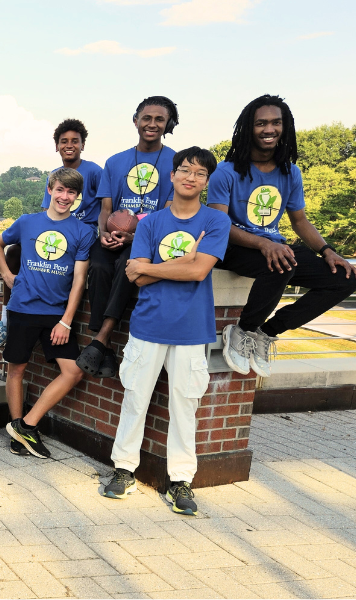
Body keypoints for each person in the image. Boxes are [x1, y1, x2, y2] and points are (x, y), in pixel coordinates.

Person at [101, 147, 231, 516]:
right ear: (172, 176)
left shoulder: (215, 222)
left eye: (200, 173)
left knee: (184, 407)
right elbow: (132, 273)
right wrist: (185, 260)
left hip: (192, 330)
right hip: (148, 325)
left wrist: (159, 267)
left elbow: (196, 273)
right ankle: (124, 469)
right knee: (135, 399)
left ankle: (180, 480)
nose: (191, 177)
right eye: (185, 170)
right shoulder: (151, 222)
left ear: (206, 182)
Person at [207, 95, 356, 377]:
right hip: (233, 246)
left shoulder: (291, 172)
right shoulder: (225, 172)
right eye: (261, 123)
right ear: (248, 128)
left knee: (345, 279)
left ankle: (266, 332)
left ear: (285, 126)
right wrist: (263, 243)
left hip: (273, 249)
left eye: (276, 122)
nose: (269, 129)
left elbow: (300, 221)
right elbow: (218, 225)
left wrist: (328, 251)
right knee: (282, 261)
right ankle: (241, 331)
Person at [77, 96, 179, 379]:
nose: (152, 124)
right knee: (97, 266)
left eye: (160, 119)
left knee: (126, 267)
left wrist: (134, 237)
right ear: (135, 120)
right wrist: (105, 233)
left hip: (148, 239)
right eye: (147, 118)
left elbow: (169, 213)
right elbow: (105, 209)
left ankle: (101, 337)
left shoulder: (175, 161)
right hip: (115, 233)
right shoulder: (115, 161)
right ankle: (104, 345)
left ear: (168, 124)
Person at [0, 168, 94, 458]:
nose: (65, 197)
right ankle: (18, 436)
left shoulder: (82, 231)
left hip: (56, 314)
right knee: (16, 370)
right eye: (60, 190)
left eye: (71, 192)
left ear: (76, 197)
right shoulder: (27, 223)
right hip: (23, 308)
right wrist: (6, 274)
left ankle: (27, 424)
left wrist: (66, 320)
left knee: (73, 371)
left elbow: (79, 280)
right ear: (50, 189)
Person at [0, 120, 102, 351]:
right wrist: (9, 274)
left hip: (83, 232)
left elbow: (104, 204)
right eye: (64, 141)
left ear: (82, 145)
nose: (69, 145)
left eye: (75, 141)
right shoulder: (54, 175)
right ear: (57, 146)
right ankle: (7, 317)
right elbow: (44, 213)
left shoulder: (95, 171)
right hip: (55, 231)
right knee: (15, 250)